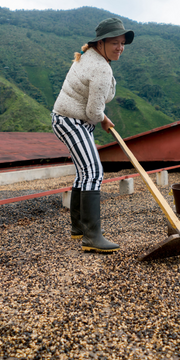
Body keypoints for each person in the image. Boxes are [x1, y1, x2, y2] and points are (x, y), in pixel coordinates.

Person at [52, 18, 134, 253]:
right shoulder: (101, 68)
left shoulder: (89, 55)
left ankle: (79, 228)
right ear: (101, 42)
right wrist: (103, 118)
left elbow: (92, 108)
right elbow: (92, 111)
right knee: (94, 172)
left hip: (65, 118)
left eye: (122, 43)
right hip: (71, 121)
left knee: (84, 172)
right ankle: (92, 236)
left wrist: (102, 118)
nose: (120, 47)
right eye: (115, 42)